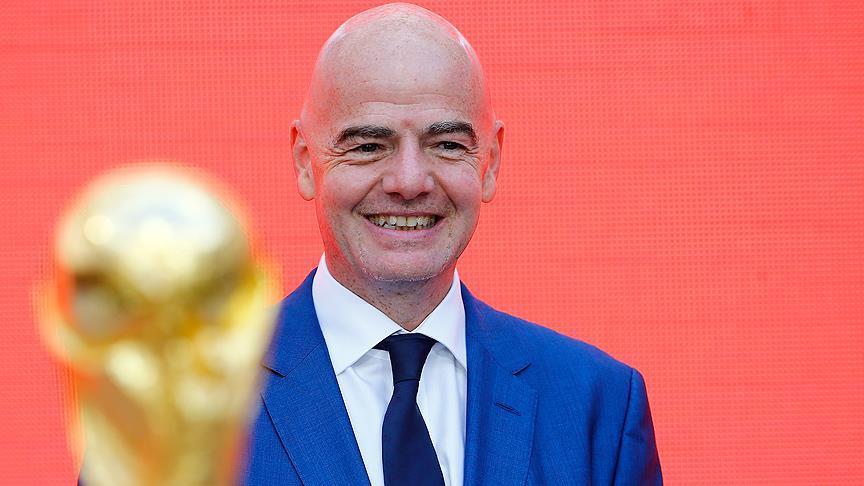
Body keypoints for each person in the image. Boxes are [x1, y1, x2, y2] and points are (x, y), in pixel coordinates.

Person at [241, 3, 662, 485]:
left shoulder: (599, 405)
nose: (409, 181)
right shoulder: (200, 395)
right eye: (368, 146)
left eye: (446, 145)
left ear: (491, 161)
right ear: (304, 160)